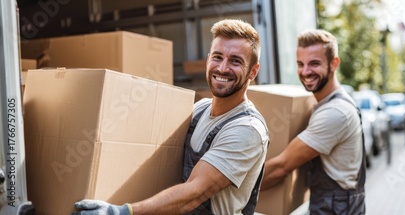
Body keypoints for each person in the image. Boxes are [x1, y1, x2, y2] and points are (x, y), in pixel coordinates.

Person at [72, 19, 269, 215]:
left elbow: (194, 193)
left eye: (235, 61)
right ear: (208, 59)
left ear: (253, 71)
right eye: (217, 57)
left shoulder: (247, 129)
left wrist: (121, 211)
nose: (223, 68)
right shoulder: (200, 109)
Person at [260, 29, 366, 215]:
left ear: (334, 63)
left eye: (314, 64)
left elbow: (281, 167)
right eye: (300, 64)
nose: (306, 71)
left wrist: (228, 186)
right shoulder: (328, 103)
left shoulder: (335, 112)